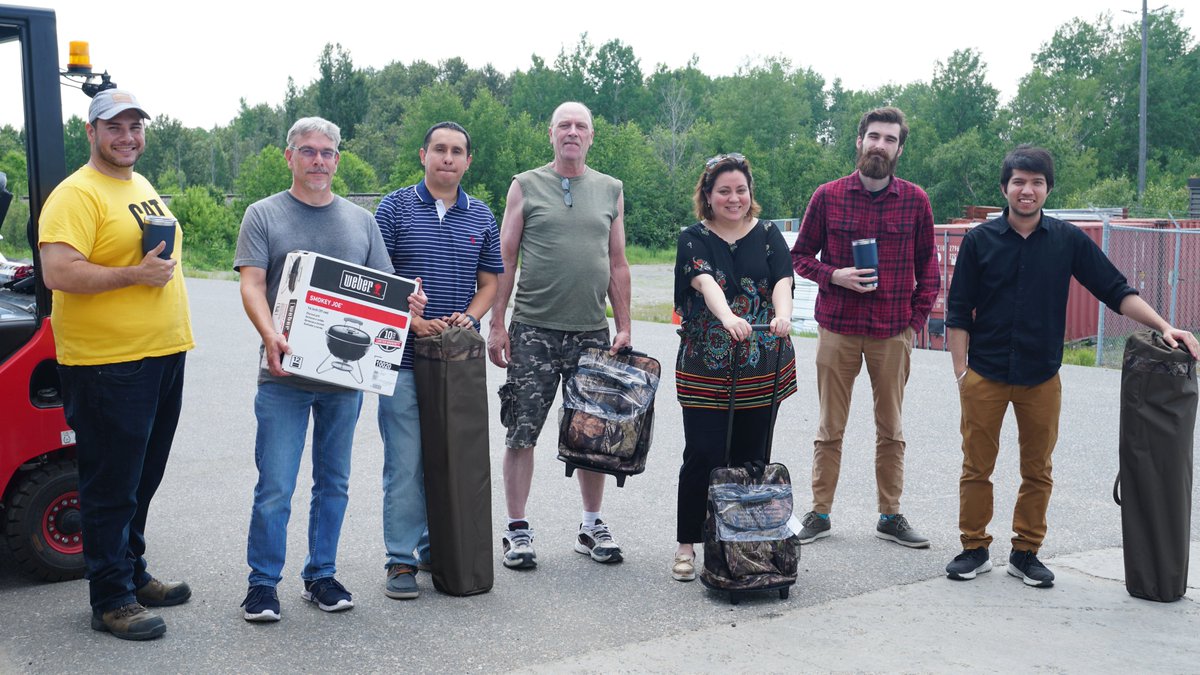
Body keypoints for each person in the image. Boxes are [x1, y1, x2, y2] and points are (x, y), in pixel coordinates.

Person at [944, 145, 1199, 588]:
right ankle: (974, 548)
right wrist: (961, 373)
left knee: (1037, 469)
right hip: (985, 372)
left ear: (1047, 189)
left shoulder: (1067, 240)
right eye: (1019, 181)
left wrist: (1167, 326)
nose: (1027, 190)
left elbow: (1115, 289)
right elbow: (958, 310)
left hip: (1041, 376)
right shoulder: (979, 241)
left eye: (1037, 182)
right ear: (1005, 187)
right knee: (976, 466)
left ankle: (1025, 553)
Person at [233, 117, 419, 621]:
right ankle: (262, 583)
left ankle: (321, 575)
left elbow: (385, 287)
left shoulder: (361, 221)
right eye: (308, 151)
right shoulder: (263, 214)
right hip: (284, 378)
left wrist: (410, 302)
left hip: (344, 381)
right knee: (276, 484)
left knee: (333, 483)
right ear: (289, 156)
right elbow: (252, 284)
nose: (319, 160)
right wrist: (270, 333)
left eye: (327, 152)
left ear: (339, 158)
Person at [38, 89, 193, 641]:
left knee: (141, 479)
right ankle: (111, 598)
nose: (128, 137)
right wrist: (133, 276)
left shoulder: (138, 185)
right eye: (115, 127)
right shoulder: (75, 194)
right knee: (110, 484)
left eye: (135, 126)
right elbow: (59, 271)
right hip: (108, 363)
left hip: (158, 355)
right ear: (91, 132)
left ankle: (131, 572)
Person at [487, 101, 632, 569]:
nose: (573, 132)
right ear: (551, 134)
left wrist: (625, 323)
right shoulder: (525, 185)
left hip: (591, 331)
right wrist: (497, 324)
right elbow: (505, 260)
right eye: (564, 125)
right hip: (533, 330)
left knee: (593, 435)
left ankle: (591, 526)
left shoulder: (611, 189)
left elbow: (617, 263)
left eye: (581, 126)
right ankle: (517, 530)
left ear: (591, 136)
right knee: (521, 431)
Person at [790, 106, 939, 548]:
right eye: (873, 136)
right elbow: (799, 256)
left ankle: (890, 515)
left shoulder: (915, 201)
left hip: (892, 331)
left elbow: (928, 271)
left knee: (891, 428)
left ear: (899, 148)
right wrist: (834, 275)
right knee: (829, 426)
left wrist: (912, 324)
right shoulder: (828, 196)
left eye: (890, 139)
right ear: (859, 141)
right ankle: (819, 513)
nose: (880, 145)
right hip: (838, 327)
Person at [373, 121, 502, 599]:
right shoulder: (394, 208)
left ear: (468, 161)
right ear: (423, 155)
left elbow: (490, 282)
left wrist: (469, 318)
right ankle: (401, 561)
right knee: (406, 463)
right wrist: (408, 318)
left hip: (457, 361)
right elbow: (376, 278)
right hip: (402, 359)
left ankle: (436, 548)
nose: (448, 158)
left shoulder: (481, 215)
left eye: (458, 152)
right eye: (440, 150)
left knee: (452, 458)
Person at [670, 153, 797, 582]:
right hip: (707, 365)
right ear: (708, 195)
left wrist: (782, 314)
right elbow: (705, 283)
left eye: (740, 189)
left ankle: (746, 545)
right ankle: (687, 543)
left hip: (763, 364)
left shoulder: (767, 236)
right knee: (703, 456)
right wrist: (727, 318)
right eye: (723, 190)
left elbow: (783, 280)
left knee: (752, 460)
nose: (733, 197)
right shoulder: (693, 238)